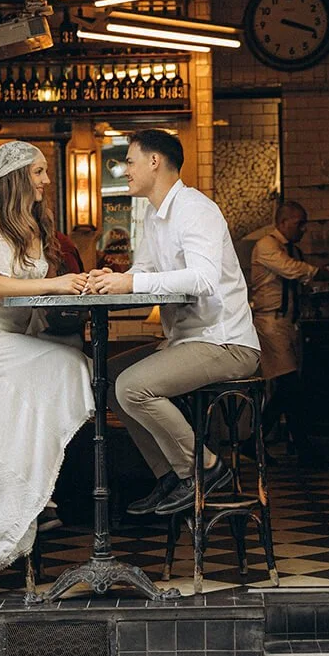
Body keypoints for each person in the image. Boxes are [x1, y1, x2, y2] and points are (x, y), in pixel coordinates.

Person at [85, 130, 262, 517]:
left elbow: (203, 279)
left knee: (133, 386)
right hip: (187, 340)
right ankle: (171, 474)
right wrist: (105, 282)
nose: (124, 170)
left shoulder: (195, 209)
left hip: (225, 342)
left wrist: (130, 282)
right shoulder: (154, 212)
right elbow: (145, 270)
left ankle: (205, 468)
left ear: (154, 161)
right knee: (113, 376)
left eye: (129, 161)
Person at [0, 141, 93, 575]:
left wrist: (87, 284)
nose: (47, 179)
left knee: (71, 361)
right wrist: (58, 285)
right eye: (40, 171)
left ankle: (37, 493)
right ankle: (37, 497)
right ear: (19, 176)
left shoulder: (30, 225)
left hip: (12, 343)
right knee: (70, 368)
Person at [249, 201, 329, 468]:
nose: (304, 229)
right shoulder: (267, 246)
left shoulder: (293, 250)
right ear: (283, 222)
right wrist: (320, 271)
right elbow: (290, 268)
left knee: (287, 389)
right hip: (270, 324)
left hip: (289, 325)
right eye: (299, 223)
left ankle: (257, 443)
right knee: (289, 385)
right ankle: (303, 449)